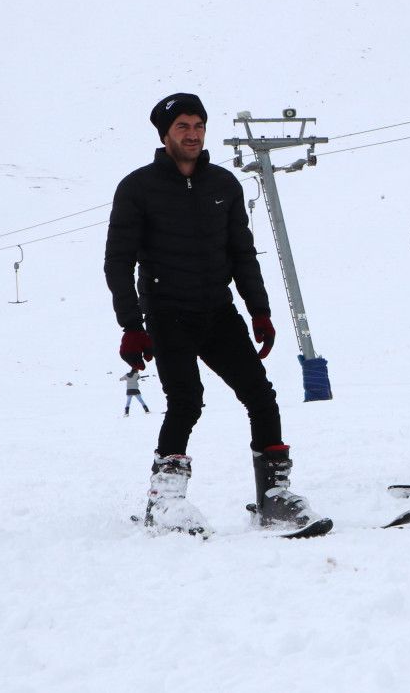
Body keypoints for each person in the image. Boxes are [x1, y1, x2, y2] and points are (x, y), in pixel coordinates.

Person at [104, 92, 323, 536]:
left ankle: (274, 499)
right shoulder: (138, 188)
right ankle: (165, 503)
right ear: (165, 134)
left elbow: (243, 254)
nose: (192, 134)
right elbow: (117, 261)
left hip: (218, 311)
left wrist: (259, 312)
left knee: (261, 397)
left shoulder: (223, 185)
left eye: (198, 125)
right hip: (167, 312)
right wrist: (132, 326)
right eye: (182, 127)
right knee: (186, 401)